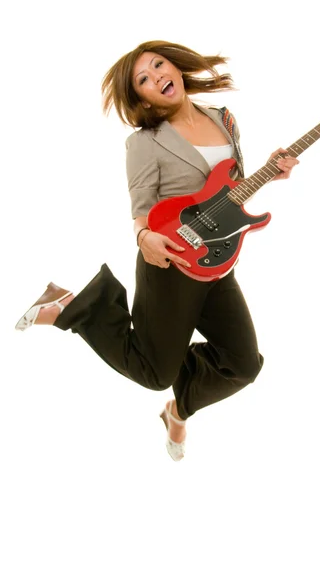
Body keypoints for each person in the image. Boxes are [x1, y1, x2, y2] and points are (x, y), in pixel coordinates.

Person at [15, 40, 299, 461]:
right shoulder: (145, 142)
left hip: (218, 265)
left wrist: (269, 173)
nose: (156, 77)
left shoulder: (223, 118)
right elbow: (142, 208)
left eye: (158, 65)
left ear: (176, 66)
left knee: (243, 365)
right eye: (143, 80)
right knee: (153, 371)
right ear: (142, 99)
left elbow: (226, 186)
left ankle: (177, 411)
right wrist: (143, 236)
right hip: (169, 263)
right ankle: (72, 305)